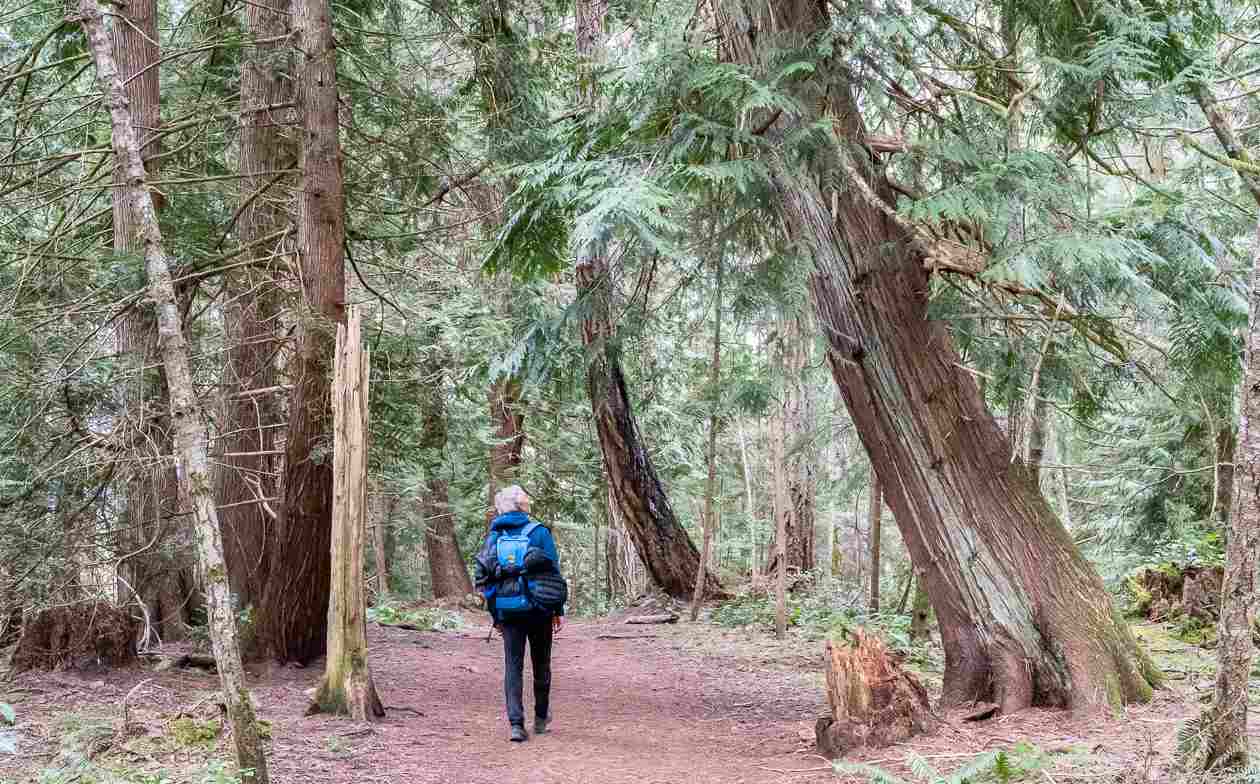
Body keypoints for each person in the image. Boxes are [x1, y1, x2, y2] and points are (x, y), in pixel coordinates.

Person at [475, 485, 566, 742]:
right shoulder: (539, 533)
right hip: (538, 608)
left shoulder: (494, 536)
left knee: (512, 665)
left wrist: (496, 616)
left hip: (508, 609)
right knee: (542, 663)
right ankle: (540, 718)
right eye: (525, 499)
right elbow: (552, 573)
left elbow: (486, 578)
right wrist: (557, 610)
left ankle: (516, 725)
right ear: (519, 505)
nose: (528, 502)